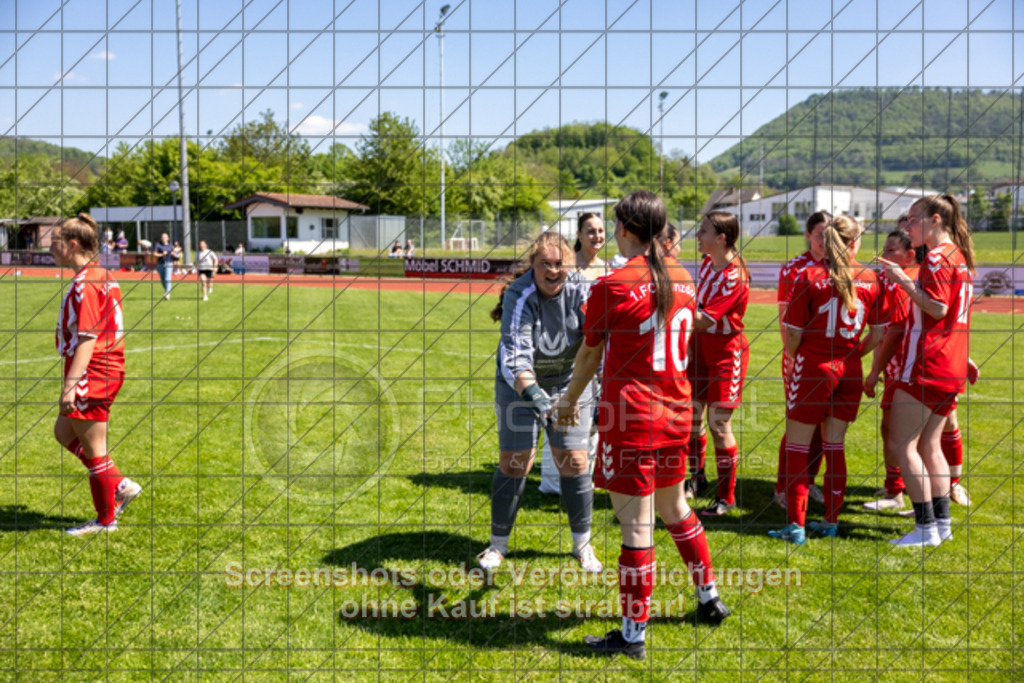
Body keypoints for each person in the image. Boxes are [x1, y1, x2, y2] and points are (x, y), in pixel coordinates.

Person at [556, 190, 730, 661]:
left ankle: (632, 635)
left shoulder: (613, 284)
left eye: (616, 225)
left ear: (628, 229)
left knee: (637, 526)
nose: (612, 232)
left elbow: (591, 352)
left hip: (631, 417)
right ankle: (709, 597)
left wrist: (569, 400)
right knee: (675, 510)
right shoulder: (683, 276)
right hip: (675, 413)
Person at [478, 231, 602, 574]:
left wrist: (594, 396)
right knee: (516, 462)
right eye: (544, 263)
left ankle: (583, 546)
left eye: (559, 264)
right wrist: (544, 405)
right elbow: (516, 362)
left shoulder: (583, 290)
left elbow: (598, 346)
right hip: (519, 386)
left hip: (570, 382)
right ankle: (497, 545)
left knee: (575, 461)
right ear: (532, 265)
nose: (552, 270)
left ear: (570, 264)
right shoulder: (520, 294)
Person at [770, 215, 882, 544]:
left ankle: (796, 525)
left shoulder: (809, 275)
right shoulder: (871, 278)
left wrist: (798, 356)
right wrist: (851, 355)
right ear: (854, 242)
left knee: (797, 447)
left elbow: (792, 334)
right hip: (849, 370)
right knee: (834, 446)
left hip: (813, 367)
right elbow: (878, 334)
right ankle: (830, 520)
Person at [876, 194, 975, 547]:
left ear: (935, 220)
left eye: (914, 219)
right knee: (931, 445)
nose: (907, 226)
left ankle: (924, 528)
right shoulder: (958, 256)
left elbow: (937, 308)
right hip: (949, 364)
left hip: (929, 364)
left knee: (904, 446)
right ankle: (940, 526)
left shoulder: (935, 257)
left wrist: (902, 279)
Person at [49, 213, 142, 536]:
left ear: (72, 244)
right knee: (64, 433)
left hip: (95, 371)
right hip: (103, 367)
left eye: (54, 242)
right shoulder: (99, 274)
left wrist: (70, 386)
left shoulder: (86, 282)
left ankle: (105, 520)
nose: (50, 248)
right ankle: (118, 484)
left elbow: (88, 336)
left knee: (95, 450)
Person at [685, 212, 750, 517]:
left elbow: (703, 318)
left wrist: (666, 307)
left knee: (720, 423)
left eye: (704, 231)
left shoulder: (734, 276)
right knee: (693, 415)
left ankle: (727, 498)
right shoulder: (708, 264)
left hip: (726, 351)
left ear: (722, 238)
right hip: (699, 346)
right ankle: (697, 478)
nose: (698, 235)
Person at [539, 212, 609, 496]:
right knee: (558, 408)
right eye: (590, 231)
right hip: (566, 348)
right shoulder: (566, 267)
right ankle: (552, 480)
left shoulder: (609, 270)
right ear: (579, 234)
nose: (597, 236)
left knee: (592, 416)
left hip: (599, 349)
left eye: (601, 231)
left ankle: (583, 474)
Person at [772, 212, 830, 510]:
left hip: (830, 363)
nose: (825, 240)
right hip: (801, 358)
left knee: (824, 424)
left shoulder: (840, 268)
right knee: (798, 424)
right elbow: (786, 319)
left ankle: (808, 480)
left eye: (831, 234)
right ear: (808, 235)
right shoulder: (794, 269)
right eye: (820, 234)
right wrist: (793, 357)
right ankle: (784, 486)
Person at [153, 233, 174, 299]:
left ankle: (167, 293)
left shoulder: (170, 245)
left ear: (168, 238)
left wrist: (174, 254)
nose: (164, 238)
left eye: (165, 237)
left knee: (167, 278)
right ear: (161, 238)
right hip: (160, 264)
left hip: (169, 263)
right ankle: (167, 291)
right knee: (162, 280)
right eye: (163, 237)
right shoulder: (158, 245)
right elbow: (155, 254)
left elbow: (174, 253)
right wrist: (162, 254)